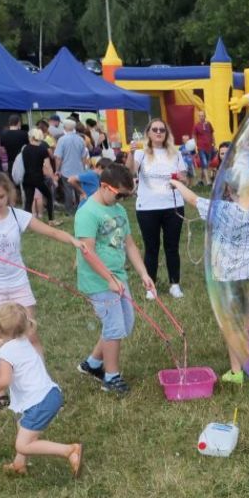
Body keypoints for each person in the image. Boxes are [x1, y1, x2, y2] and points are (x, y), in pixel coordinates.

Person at [0, 170, 83, 412]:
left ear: (9, 194)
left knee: (30, 334)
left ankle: (41, 388)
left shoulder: (17, 215)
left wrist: (73, 241)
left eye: (1, 196)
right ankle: (1, 393)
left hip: (17, 282)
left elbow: (51, 231)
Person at [171, 170, 249, 382]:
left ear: (228, 189)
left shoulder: (221, 210)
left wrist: (176, 184)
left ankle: (237, 371)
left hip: (228, 278)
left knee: (231, 324)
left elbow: (192, 199)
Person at [0, 303, 81, 477]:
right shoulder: (20, 341)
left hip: (40, 402)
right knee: (23, 427)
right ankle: (19, 464)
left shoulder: (7, 353)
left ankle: (69, 450)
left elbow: (4, 380)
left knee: (23, 444)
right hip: (49, 395)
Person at [75, 162, 156, 397]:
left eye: (126, 196)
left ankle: (92, 364)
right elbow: (87, 251)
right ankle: (111, 377)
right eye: (119, 194)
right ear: (104, 187)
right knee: (114, 327)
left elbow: (129, 244)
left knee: (125, 325)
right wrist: (108, 279)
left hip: (118, 277)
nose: (121, 200)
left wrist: (143, 273)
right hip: (99, 280)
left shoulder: (118, 211)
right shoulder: (87, 213)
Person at [128, 119, 186, 299]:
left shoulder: (175, 154)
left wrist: (180, 180)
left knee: (172, 247)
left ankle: (174, 284)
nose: (159, 132)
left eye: (162, 130)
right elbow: (130, 172)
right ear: (149, 133)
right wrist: (130, 154)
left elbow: (184, 178)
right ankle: (150, 286)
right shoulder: (140, 153)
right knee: (151, 247)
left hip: (173, 205)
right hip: (147, 207)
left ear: (166, 133)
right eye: (155, 129)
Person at [20, 128, 57, 220]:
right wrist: (53, 178)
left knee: (28, 201)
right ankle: (51, 219)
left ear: (31, 137)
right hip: (38, 177)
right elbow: (47, 166)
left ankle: (25, 221)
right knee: (48, 196)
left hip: (27, 177)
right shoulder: (42, 149)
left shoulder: (25, 149)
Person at [53, 118, 89, 209]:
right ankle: (80, 207)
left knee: (67, 190)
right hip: (79, 169)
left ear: (64, 127)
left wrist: (57, 169)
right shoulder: (80, 139)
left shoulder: (62, 140)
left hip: (66, 169)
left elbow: (58, 157)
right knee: (78, 189)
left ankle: (69, 209)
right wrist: (83, 167)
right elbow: (84, 155)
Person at [192, 109, 215, 185]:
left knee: (206, 164)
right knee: (204, 163)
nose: (201, 117)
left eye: (202, 116)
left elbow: (212, 134)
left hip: (209, 147)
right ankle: (208, 181)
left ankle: (200, 180)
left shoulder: (209, 124)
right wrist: (195, 146)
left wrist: (214, 143)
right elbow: (194, 136)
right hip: (201, 147)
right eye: (200, 116)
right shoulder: (196, 126)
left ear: (205, 116)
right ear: (198, 117)